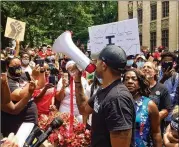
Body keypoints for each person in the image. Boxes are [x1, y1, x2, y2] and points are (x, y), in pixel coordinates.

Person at [74, 45, 136, 147]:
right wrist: (77, 80)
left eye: (97, 61)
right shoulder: (104, 89)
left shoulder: (117, 98)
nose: (94, 64)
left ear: (103, 65)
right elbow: (84, 109)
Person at [1, 57, 45, 137]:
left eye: (19, 65)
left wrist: (41, 71)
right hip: (17, 119)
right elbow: (20, 96)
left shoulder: (24, 75)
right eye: (15, 65)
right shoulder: (6, 81)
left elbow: (39, 85)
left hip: (30, 115)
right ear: (8, 67)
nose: (18, 67)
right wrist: (34, 78)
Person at [123, 69, 162, 147]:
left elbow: (156, 133)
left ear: (140, 83)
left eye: (134, 79)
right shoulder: (118, 102)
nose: (129, 81)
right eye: (126, 79)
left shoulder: (149, 105)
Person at [142, 61, 171, 134]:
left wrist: (153, 119)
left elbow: (166, 110)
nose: (145, 69)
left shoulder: (162, 88)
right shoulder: (138, 87)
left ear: (155, 72)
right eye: (144, 67)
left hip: (155, 129)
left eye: (149, 67)